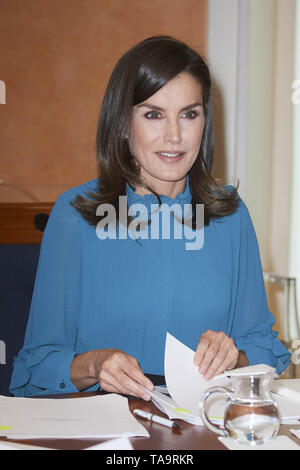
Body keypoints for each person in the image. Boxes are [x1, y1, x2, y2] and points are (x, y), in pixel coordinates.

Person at [10, 36, 290, 399]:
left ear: (205, 120)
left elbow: (267, 349)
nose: (174, 136)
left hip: (203, 424)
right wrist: (95, 364)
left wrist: (235, 357)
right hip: (101, 426)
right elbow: (35, 365)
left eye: (189, 114)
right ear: (124, 123)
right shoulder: (75, 214)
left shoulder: (231, 214)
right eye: (153, 114)